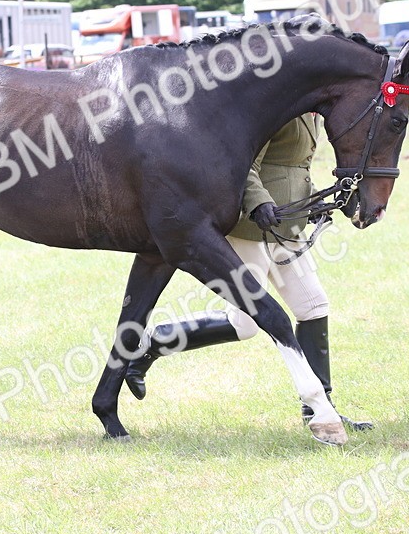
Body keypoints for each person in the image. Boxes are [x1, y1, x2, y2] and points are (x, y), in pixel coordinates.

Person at [124, 114, 373, 431]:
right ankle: (154, 343)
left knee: (313, 306)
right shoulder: (282, 109)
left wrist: (312, 206)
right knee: (243, 325)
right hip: (254, 226)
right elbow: (246, 165)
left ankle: (320, 409)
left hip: (287, 227)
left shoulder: (314, 111)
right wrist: (259, 203)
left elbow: (294, 168)